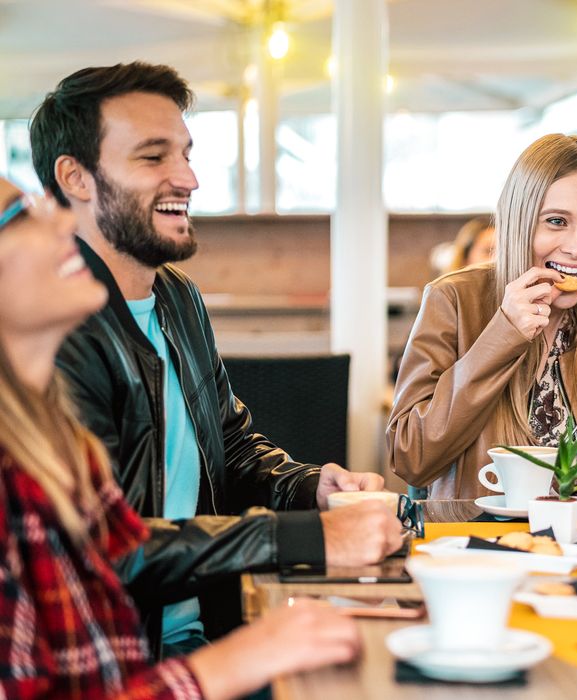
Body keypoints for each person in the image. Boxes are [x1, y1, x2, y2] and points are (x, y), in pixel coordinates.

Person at [30, 62, 404, 656]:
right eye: (154, 157)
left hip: (213, 629)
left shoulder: (178, 297)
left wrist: (311, 489)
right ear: (76, 177)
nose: (189, 178)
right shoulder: (50, 332)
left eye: (186, 153)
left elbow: (228, 449)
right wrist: (308, 537)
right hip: (127, 659)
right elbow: (103, 549)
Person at [0, 176, 361, 699]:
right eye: (22, 214)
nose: (60, 219)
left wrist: (310, 493)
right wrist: (236, 660)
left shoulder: (55, 442)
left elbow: (120, 552)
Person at [389, 133, 577, 498]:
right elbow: (411, 459)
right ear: (520, 222)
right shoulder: (454, 299)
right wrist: (503, 335)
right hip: (474, 545)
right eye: (556, 221)